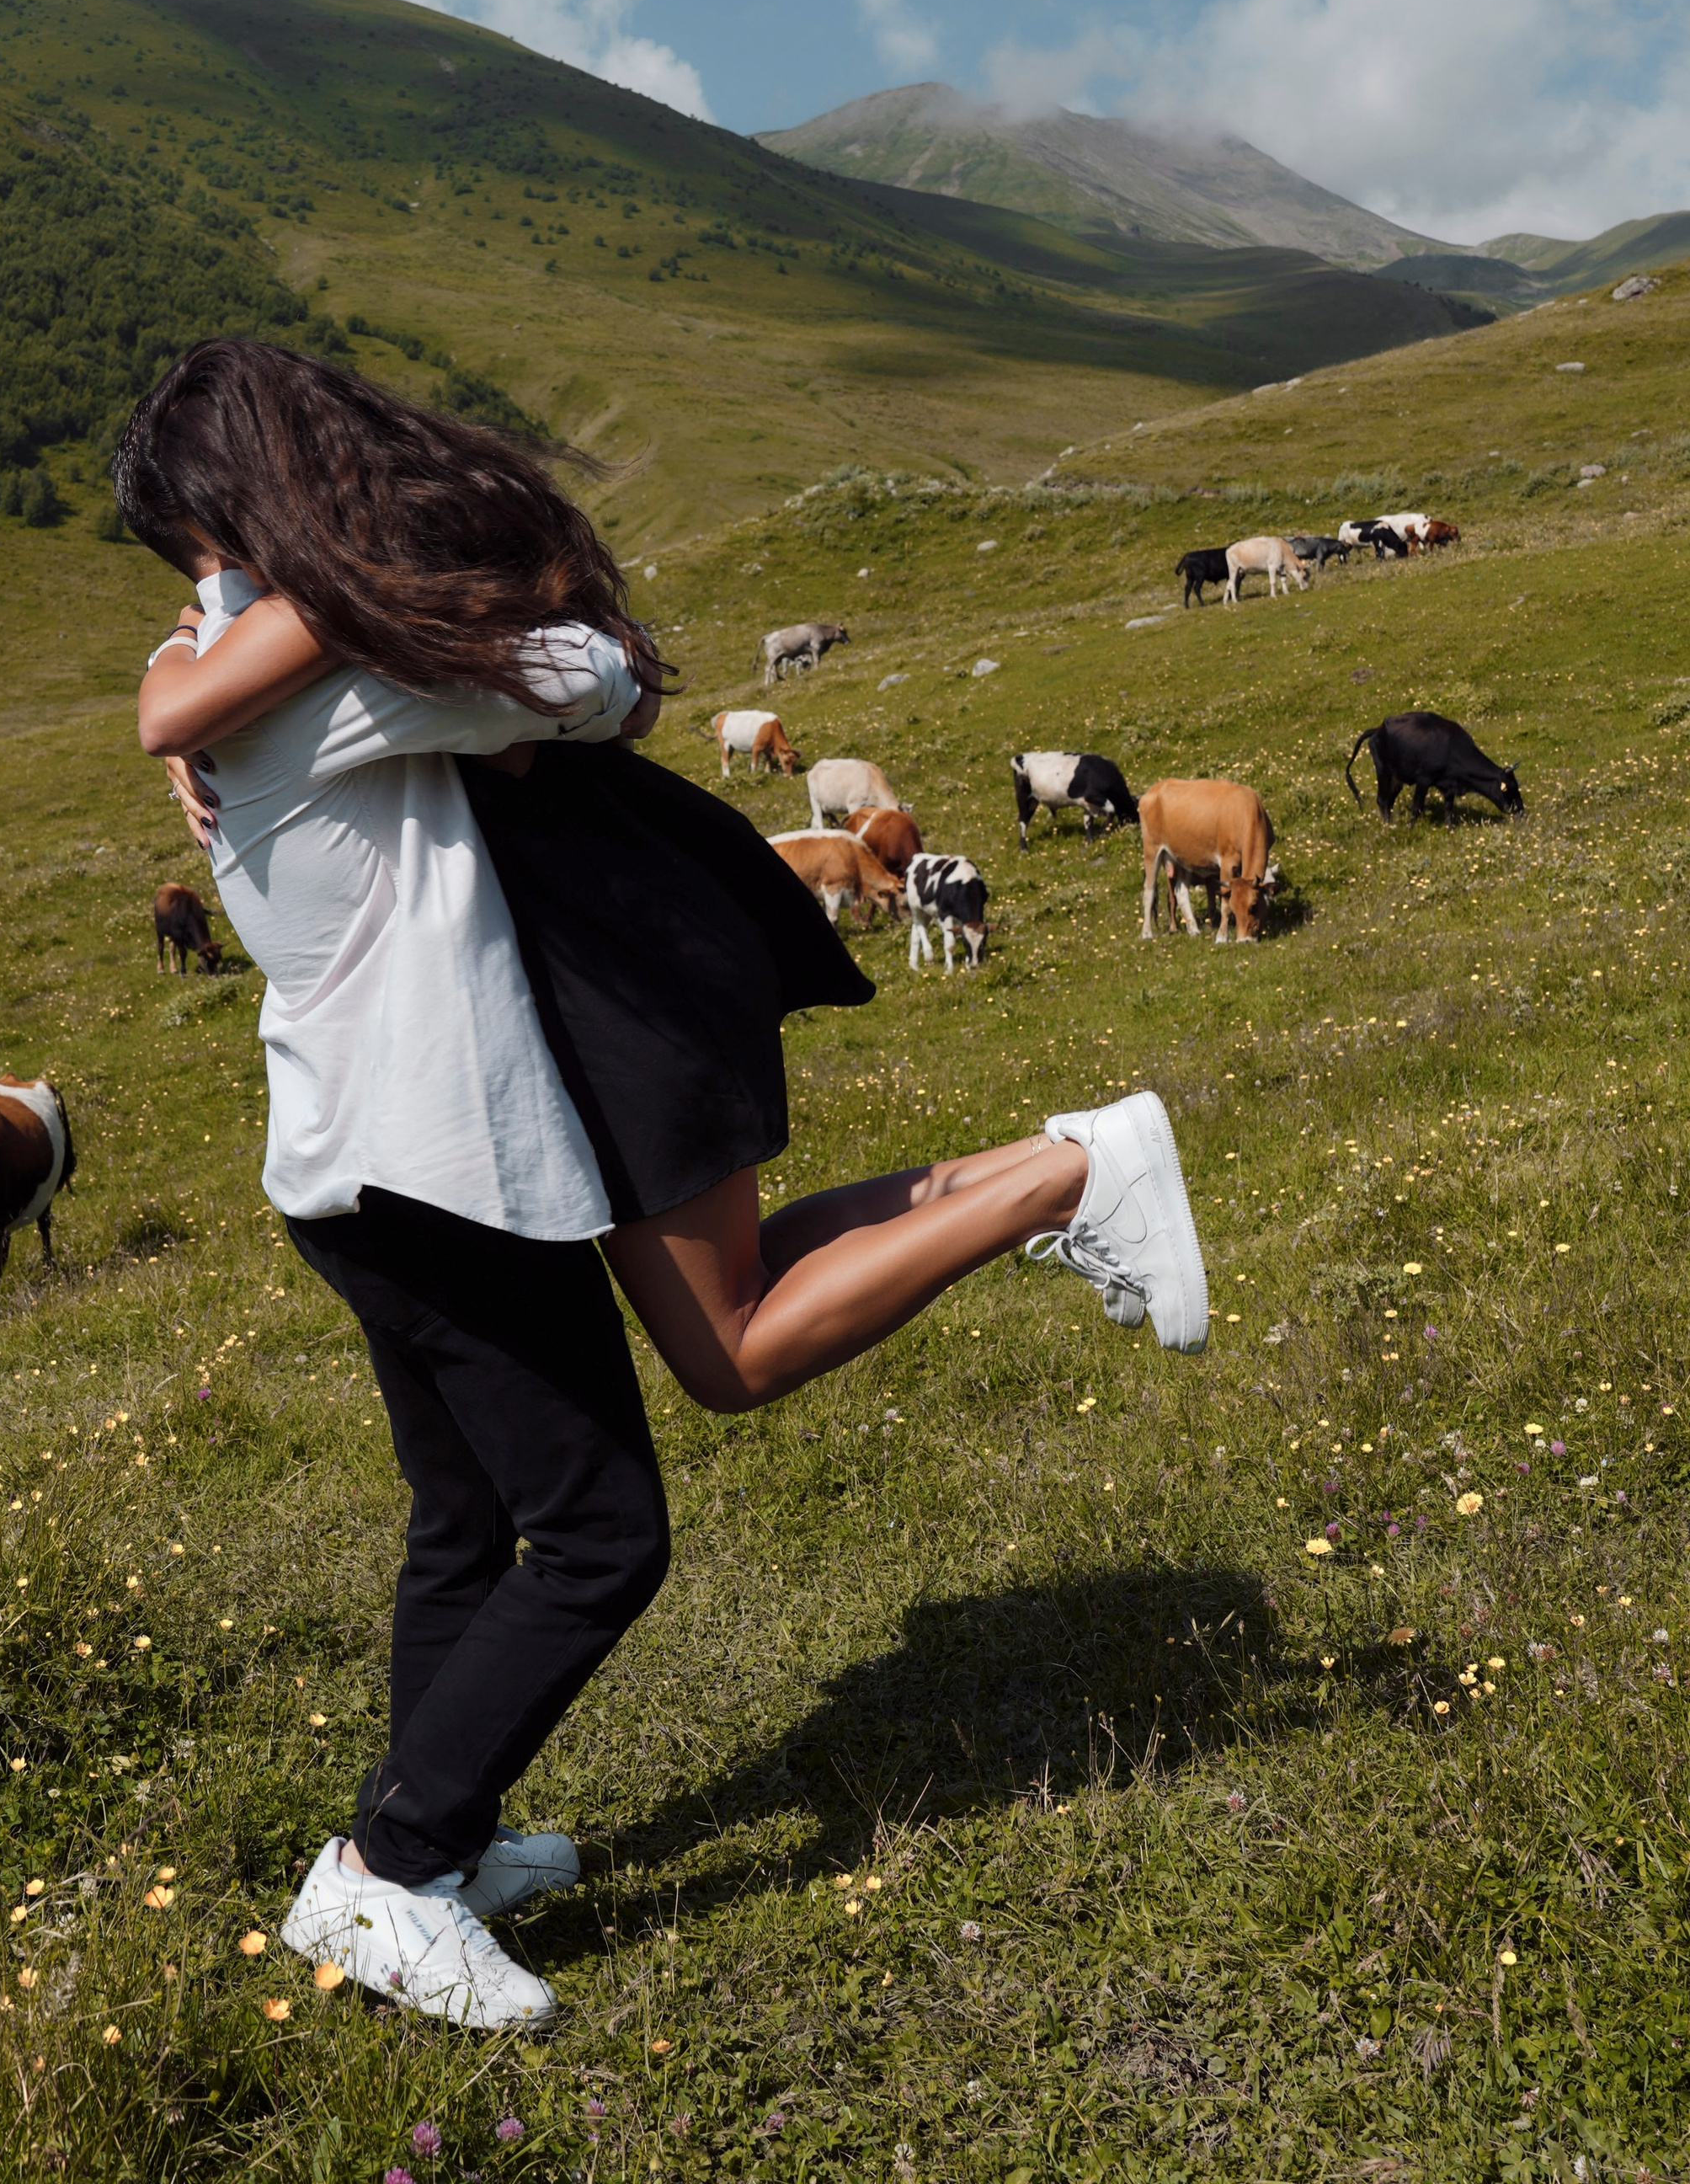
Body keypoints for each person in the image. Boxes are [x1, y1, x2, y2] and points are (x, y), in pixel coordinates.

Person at [120, 339, 1208, 2030]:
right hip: (441, 1163)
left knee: (465, 1520)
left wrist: (235, 646)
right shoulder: (349, 678)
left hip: (337, 1166)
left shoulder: (249, 675)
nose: (218, 593)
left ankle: (443, 1842)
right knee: (601, 1532)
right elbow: (592, 680)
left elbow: (202, 678)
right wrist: (381, 601)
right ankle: (391, 1871)